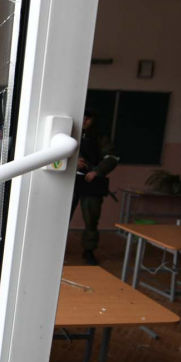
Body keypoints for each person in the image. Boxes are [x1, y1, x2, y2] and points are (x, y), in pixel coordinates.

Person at [71, 109, 119, 265]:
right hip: (69, 182)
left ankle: (89, 250)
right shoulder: (68, 134)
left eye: (88, 118)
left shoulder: (101, 137)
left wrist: (97, 171)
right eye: (82, 117)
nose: (84, 121)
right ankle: (53, 249)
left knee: (91, 218)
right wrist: (74, 162)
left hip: (91, 183)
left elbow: (111, 158)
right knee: (61, 218)